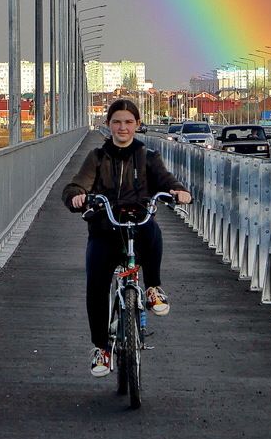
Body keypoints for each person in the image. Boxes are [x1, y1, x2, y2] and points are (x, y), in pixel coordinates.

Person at [62, 99, 192, 377]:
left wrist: (179, 190)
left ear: (137, 125)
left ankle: (153, 287)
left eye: (128, 122)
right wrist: (76, 195)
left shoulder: (148, 157)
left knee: (153, 230)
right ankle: (101, 348)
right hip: (105, 227)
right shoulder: (97, 157)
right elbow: (78, 182)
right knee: (96, 285)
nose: (123, 127)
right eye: (117, 122)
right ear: (108, 125)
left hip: (138, 223)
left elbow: (166, 180)